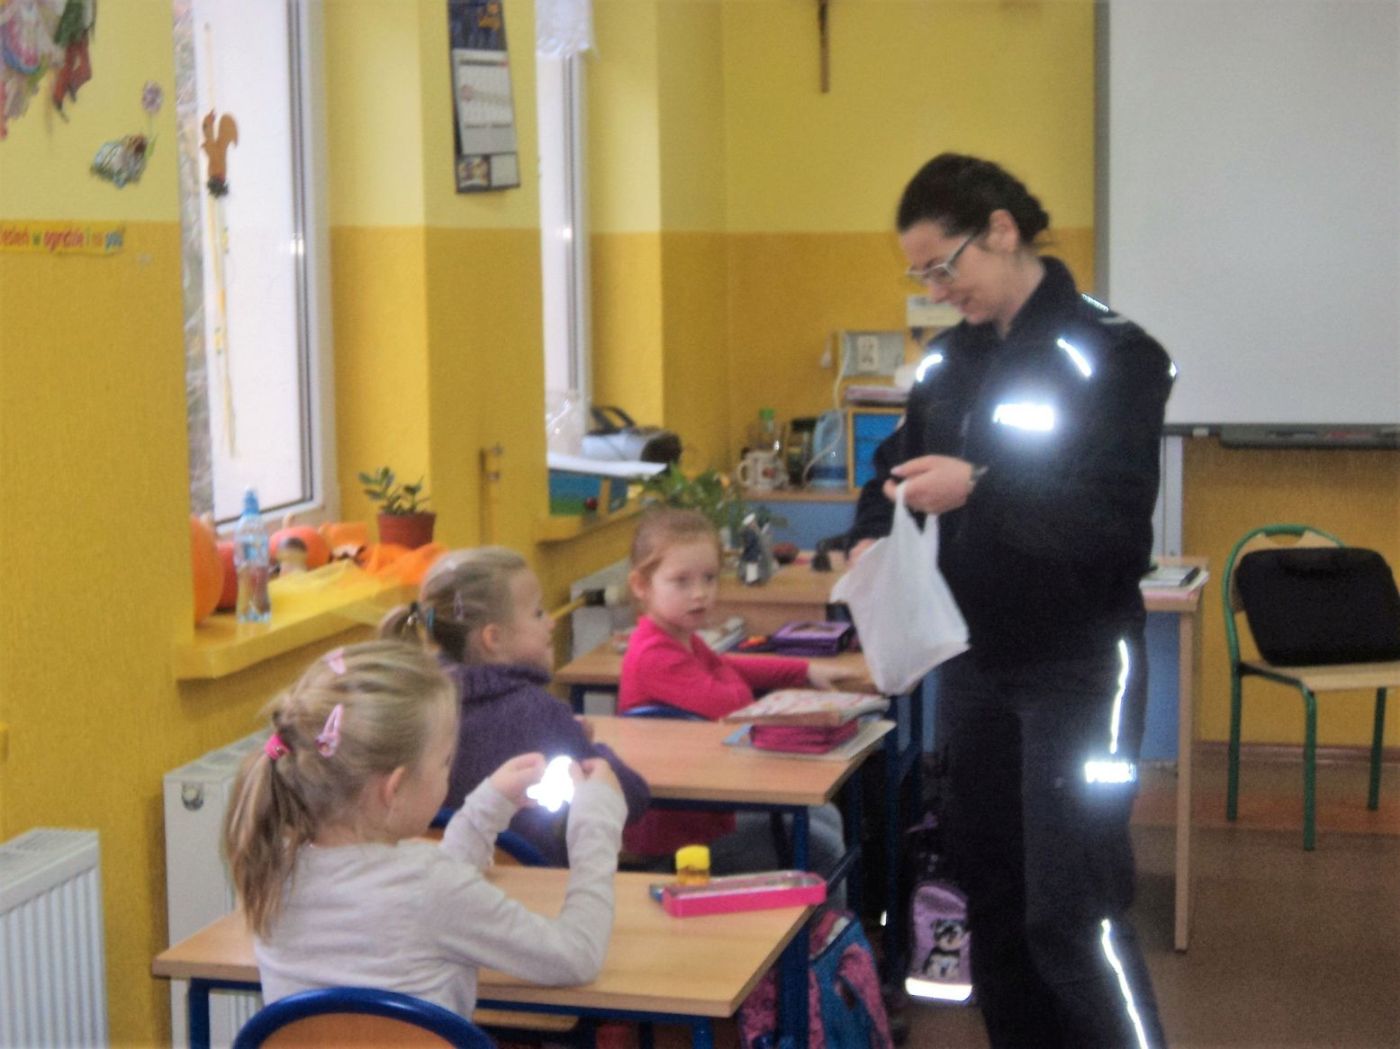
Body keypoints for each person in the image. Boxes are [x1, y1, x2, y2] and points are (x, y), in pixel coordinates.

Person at [850, 153, 1173, 1049]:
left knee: (1074, 912)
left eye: (943, 266)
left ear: (1000, 230)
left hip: (1079, 665)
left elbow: (1113, 525)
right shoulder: (948, 361)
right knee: (992, 895)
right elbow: (893, 471)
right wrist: (870, 530)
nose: (936, 290)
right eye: (920, 276)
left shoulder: (1115, 354)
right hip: (976, 663)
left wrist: (981, 487)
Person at [223, 640, 626, 1013]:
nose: (449, 771)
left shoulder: (273, 871)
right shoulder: (432, 888)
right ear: (394, 788)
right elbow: (576, 956)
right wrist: (596, 824)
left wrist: (486, 808)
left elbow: (422, 893)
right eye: (445, 761)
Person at [380, 546, 650, 865]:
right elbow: (631, 799)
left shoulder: (409, 709)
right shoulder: (541, 714)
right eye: (537, 613)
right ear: (493, 638)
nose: (550, 622)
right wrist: (595, 749)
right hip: (540, 889)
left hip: (431, 886)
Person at [619, 507, 848, 881]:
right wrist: (728, 672)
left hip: (706, 807)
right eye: (681, 581)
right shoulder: (654, 654)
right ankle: (822, 920)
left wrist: (804, 670)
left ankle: (824, 915)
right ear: (642, 586)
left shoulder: (674, 637)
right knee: (822, 846)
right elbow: (737, 704)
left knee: (826, 815)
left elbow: (727, 665)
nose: (700, 593)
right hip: (679, 840)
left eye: (709, 578)